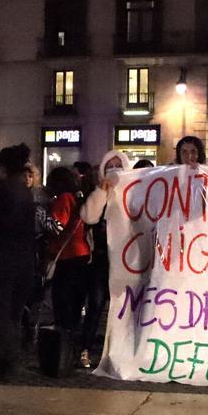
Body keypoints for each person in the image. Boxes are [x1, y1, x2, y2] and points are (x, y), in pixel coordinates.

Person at [0, 145, 41, 378]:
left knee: (1, 312)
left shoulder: (0, 189)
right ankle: (12, 358)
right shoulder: (26, 191)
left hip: (4, 259)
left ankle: (8, 362)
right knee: (15, 313)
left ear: (3, 166)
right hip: (26, 260)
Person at [79, 151, 129, 368]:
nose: (115, 168)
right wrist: (102, 191)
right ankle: (85, 348)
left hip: (128, 260)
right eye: (111, 165)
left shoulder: (132, 194)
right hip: (102, 258)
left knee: (125, 306)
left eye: (119, 165)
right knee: (97, 303)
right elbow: (89, 216)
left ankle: (122, 351)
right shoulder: (99, 192)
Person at [47, 166, 92, 366]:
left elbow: (56, 226)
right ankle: (71, 349)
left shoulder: (63, 198)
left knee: (62, 304)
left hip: (67, 257)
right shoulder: (77, 198)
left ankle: (61, 352)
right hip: (82, 255)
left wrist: (41, 216)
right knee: (75, 306)